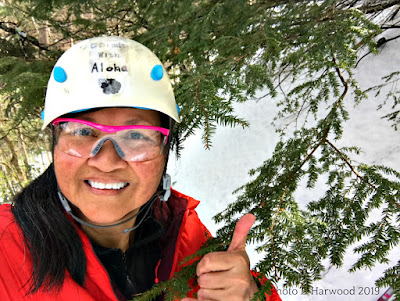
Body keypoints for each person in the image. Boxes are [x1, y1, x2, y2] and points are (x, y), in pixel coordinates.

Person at [0, 36, 281, 301]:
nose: (107, 161)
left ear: (165, 150)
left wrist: (253, 294)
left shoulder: (188, 240)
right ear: (55, 143)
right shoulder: (5, 248)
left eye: (136, 136)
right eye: (83, 131)